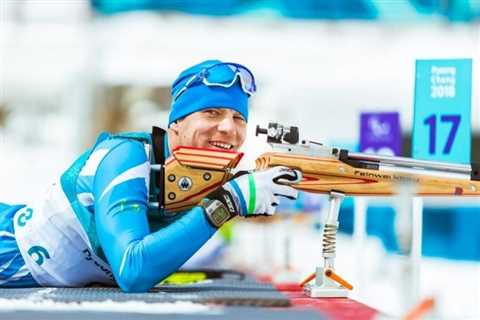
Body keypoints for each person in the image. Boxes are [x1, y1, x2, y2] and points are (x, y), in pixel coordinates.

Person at [0, 60, 301, 292]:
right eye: (211, 113)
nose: (228, 128)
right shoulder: (126, 157)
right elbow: (133, 271)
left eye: (239, 118)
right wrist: (227, 202)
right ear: (175, 126)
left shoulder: (212, 176)